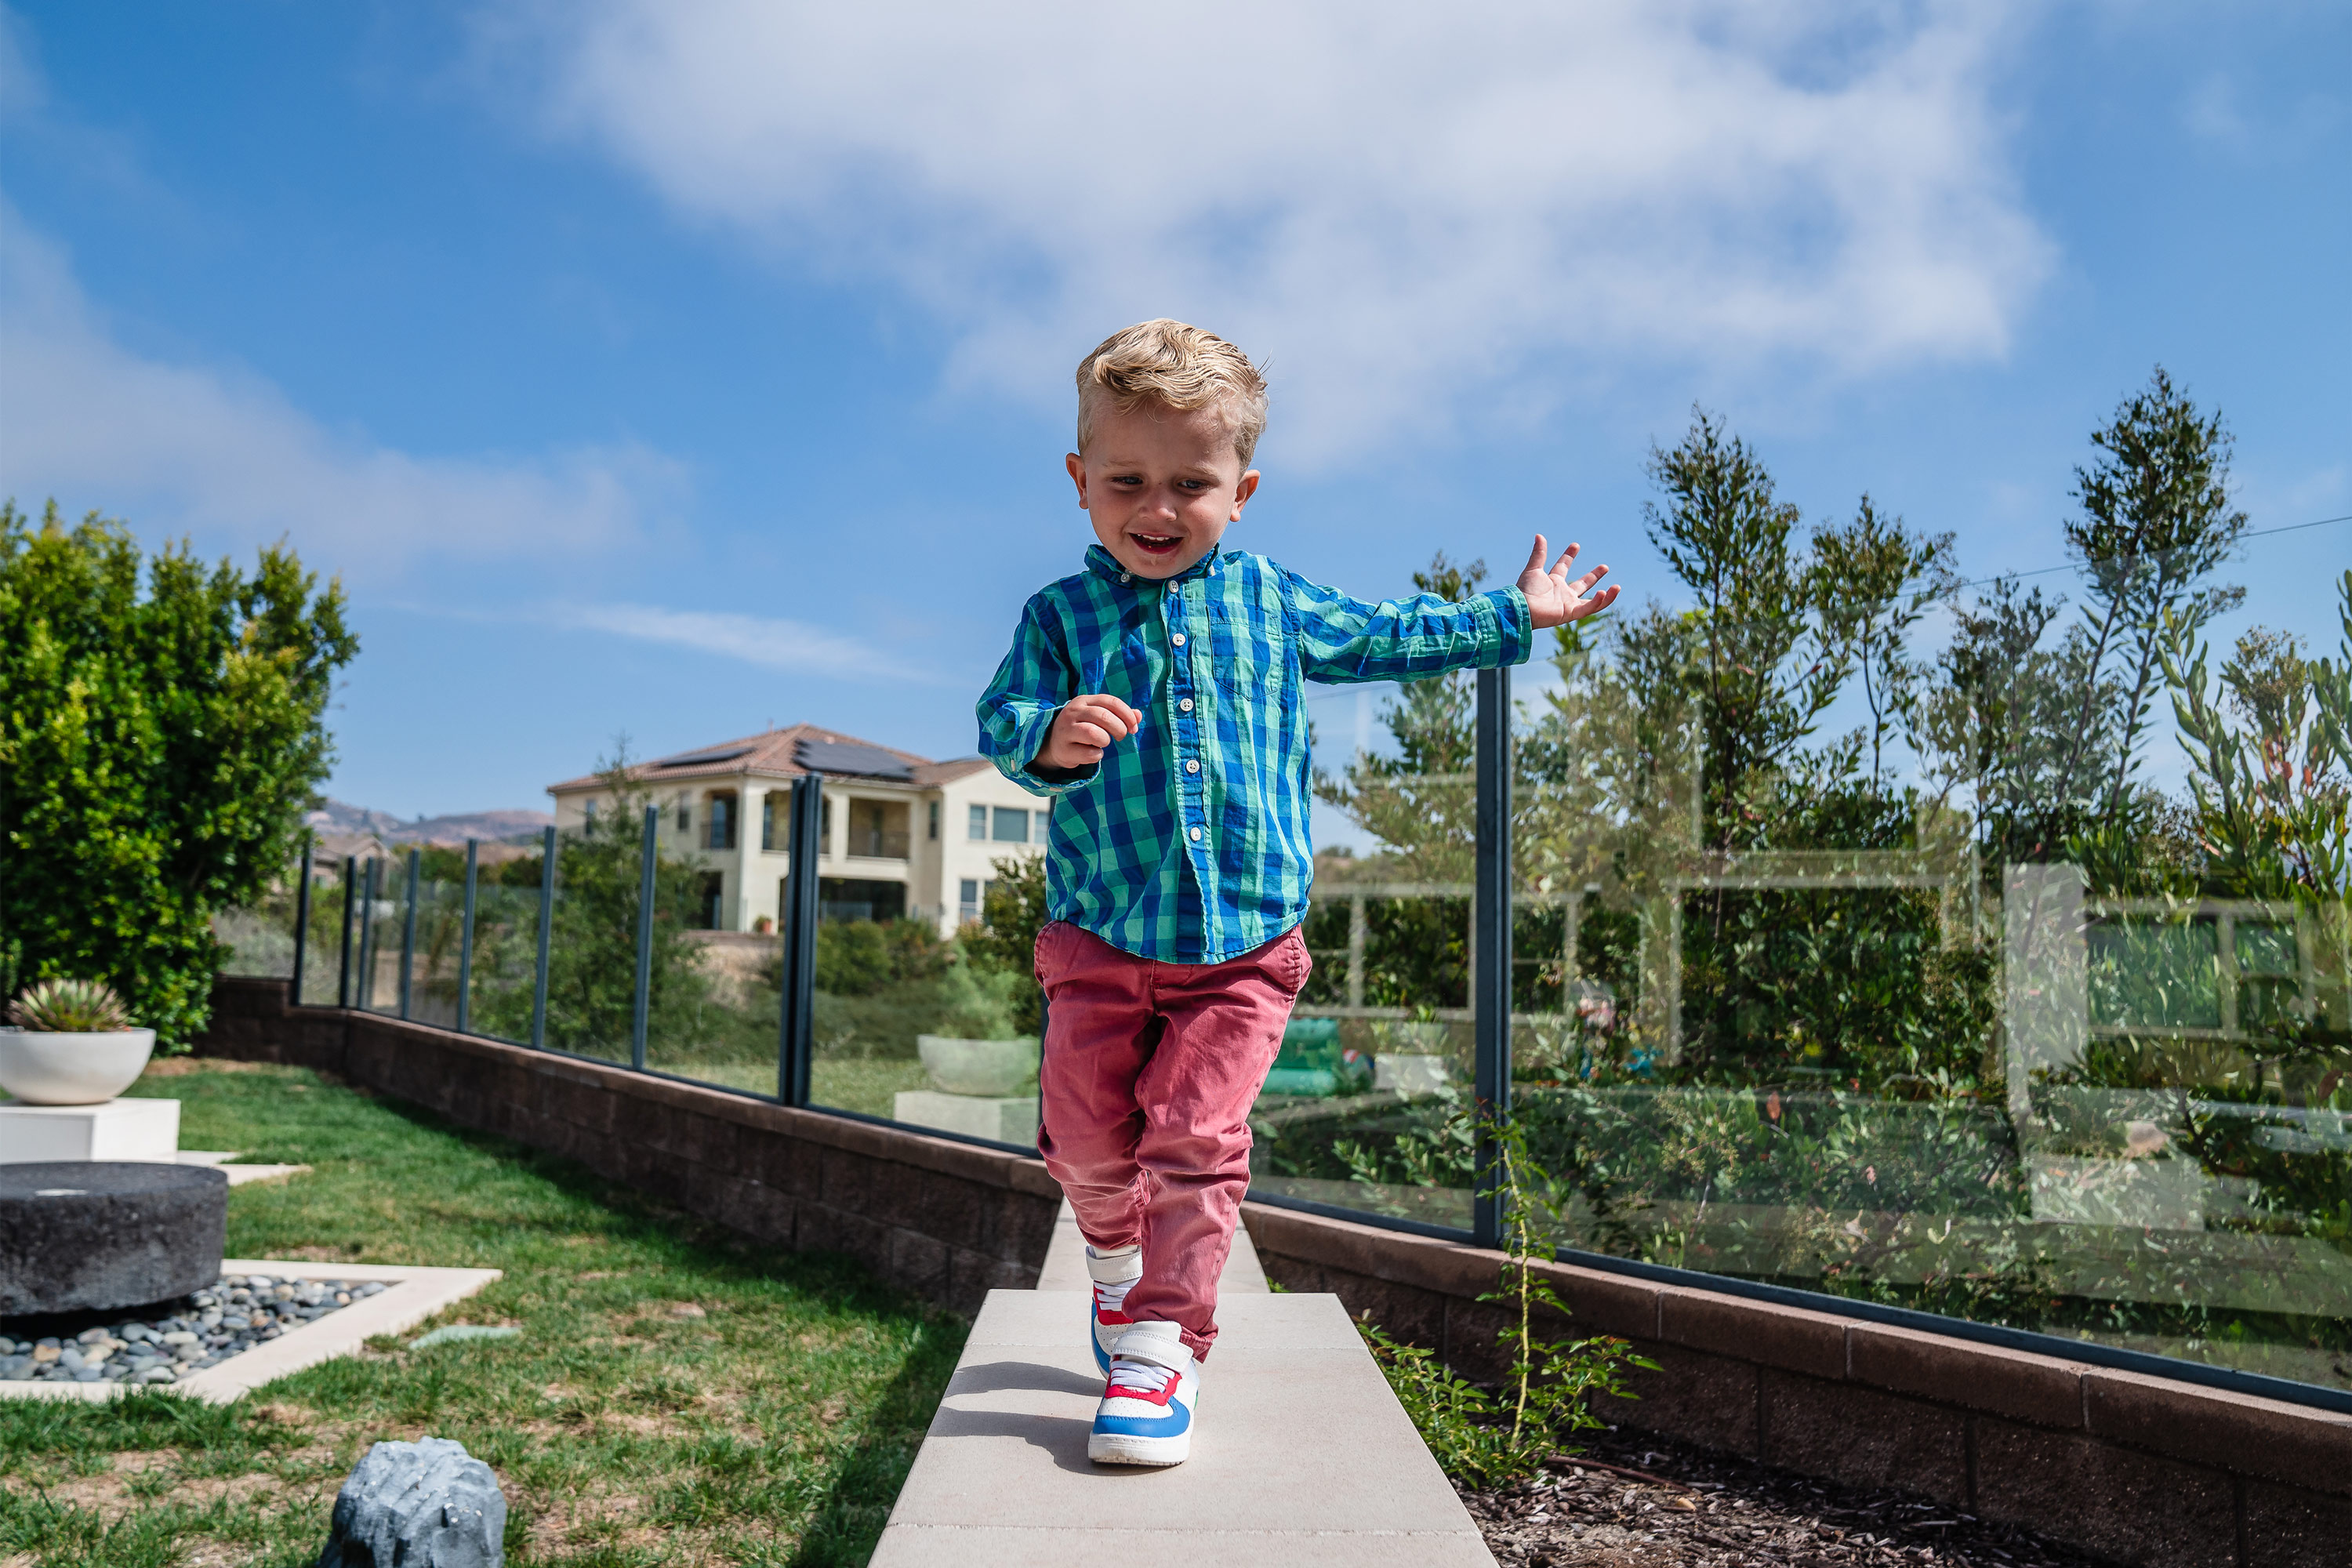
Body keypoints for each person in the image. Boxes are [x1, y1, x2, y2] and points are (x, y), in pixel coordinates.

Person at [976, 318, 1619, 1468]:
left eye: (1193, 484)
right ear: (1081, 483)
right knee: (1083, 1144)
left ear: (1243, 488)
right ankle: (1115, 1269)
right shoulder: (1057, 620)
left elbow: (1384, 637)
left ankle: (1161, 1349)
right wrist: (1052, 735)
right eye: (1128, 480)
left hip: (1242, 947)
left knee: (1197, 1136)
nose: (1159, 508)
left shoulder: (1268, 598)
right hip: (1097, 939)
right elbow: (1003, 724)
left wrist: (1512, 615)